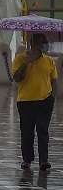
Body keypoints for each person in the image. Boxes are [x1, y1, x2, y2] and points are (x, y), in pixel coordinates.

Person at [8, 33, 58, 171]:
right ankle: (27, 160)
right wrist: (27, 62)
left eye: (43, 43)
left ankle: (43, 161)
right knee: (27, 132)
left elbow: (54, 80)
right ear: (32, 44)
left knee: (43, 131)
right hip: (25, 102)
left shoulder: (49, 60)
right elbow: (17, 78)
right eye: (39, 43)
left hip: (45, 102)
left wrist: (52, 98)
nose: (42, 46)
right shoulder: (20, 59)